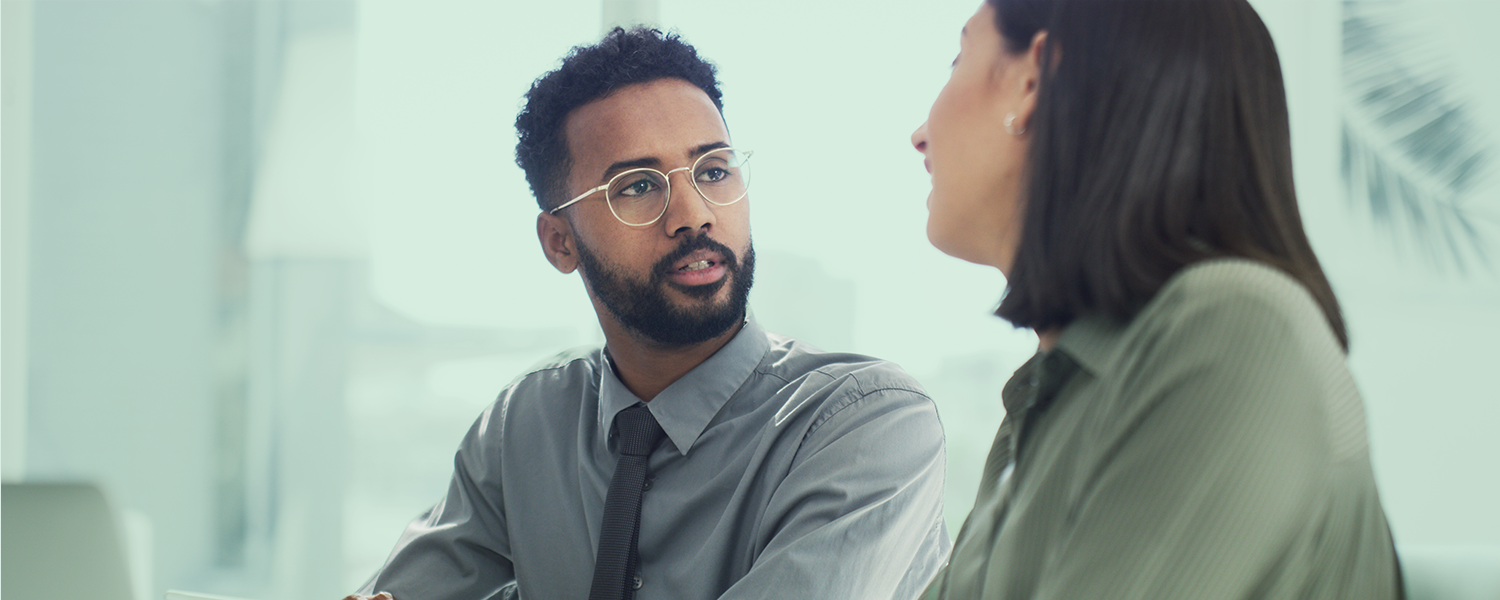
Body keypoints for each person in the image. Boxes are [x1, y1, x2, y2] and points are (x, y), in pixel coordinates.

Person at [348, 27, 950, 600]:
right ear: (560, 242)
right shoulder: (526, 425)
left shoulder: (865, 423)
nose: (694, 214)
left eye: (714, 171)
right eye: (637, 186)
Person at [909, 0, 1402, 598]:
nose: (919, 136)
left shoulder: (1235, 330)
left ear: (1032, 79)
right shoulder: (1051, 396)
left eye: (959, 58)